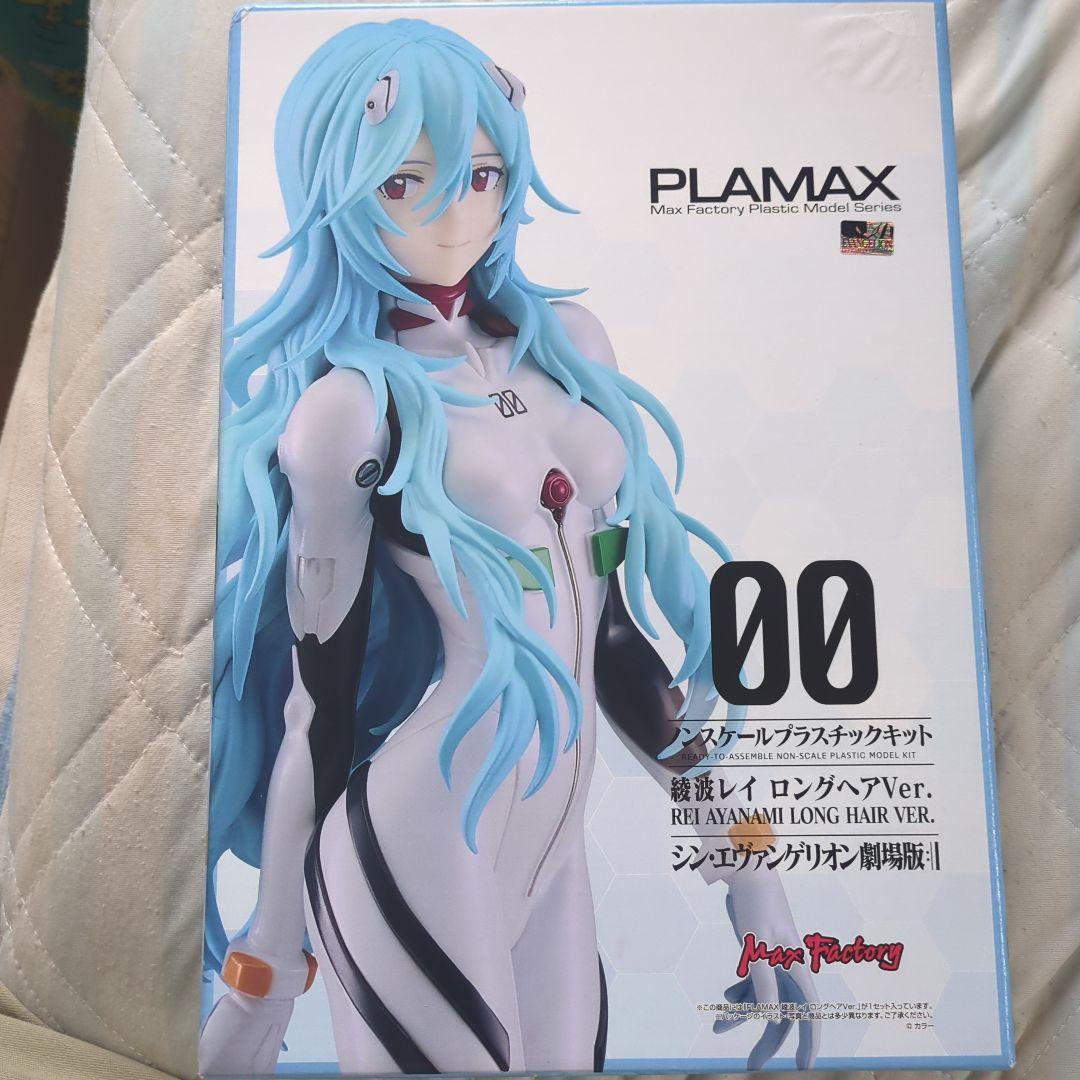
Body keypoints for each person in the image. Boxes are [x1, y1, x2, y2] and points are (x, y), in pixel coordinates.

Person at [201, 18, 818, 1075]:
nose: (455, 213)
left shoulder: (570, 349)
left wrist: (748, 864)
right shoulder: (348, 412)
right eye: (405, 183)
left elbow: (613, 643)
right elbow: (320, 699)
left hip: (550, 846)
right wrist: (268, 952)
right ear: (336, 185)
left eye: (482, 175)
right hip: (417, 834)